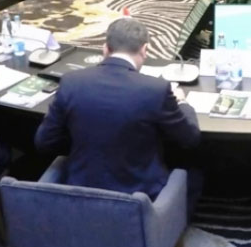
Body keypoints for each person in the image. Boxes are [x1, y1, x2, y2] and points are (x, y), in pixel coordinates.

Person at [35, 17, 201, 200]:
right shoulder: (156, 89)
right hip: (139, 198)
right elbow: (190, 138)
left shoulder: (71, 82)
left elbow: (44, 142)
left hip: (80, 191)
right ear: (144, 49)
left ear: (105, 48)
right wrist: (182, 103)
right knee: (195, 174)